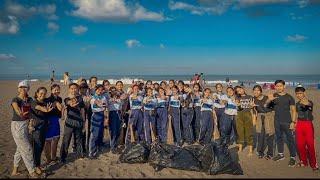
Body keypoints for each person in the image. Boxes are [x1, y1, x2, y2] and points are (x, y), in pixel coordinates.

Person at [11, 81, 40, 177]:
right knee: (28, 149)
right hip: (17, 126)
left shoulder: (29, 99)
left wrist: (44, 109)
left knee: (20, 149)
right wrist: (20, 113)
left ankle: (15, 170)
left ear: (28, 89)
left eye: (26, 87)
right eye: (21, 87)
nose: (23, 89)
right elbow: (16, 107)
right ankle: (31, 171)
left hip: (26, 125)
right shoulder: (16, 99)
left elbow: (34, 106)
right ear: (18, 89)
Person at [266, 80, 297, 167]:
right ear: (275, 87)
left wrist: (293, 122)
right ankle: (280, 154)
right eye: (277, 86)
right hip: (277, 121)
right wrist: (269, 100)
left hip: (287, 121)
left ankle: (293, 157)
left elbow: (294, 110)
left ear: (284, 86)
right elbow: (266, 106)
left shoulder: (289, 97)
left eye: (280, 85)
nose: (279, 87)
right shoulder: (274, 96)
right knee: (279, 138)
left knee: (290, 139)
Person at [60, 83, 86, 163]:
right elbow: (68, 102)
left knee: (78, 138)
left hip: (78, 121)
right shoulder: (66, 99)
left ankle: (80, 154)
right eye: (72, 88)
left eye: (75, 88)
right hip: (69, 122)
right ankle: (63, 156)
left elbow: (82, 111)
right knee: (66, 139)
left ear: (77, 89)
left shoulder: (80, 98)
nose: (73, 90)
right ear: (69, 89)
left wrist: (84, 122)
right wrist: (70, 103)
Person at [29, 87, 53, 173]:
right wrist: (45, 109)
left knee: (41, 146)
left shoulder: (46, 101)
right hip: (36, 128)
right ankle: (36, 166)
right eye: (41, 93)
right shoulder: (33, 101)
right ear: (37, 93)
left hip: (44, 127)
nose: (42, 95)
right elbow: (38, 107)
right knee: (37, 147)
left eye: (44, 93)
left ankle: (36, 165)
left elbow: (53, 99)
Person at [294, 86, 318, 170]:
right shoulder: (297, 104)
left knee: (310, 145)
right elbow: (296, 114)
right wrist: (294, 124)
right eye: (297, 94)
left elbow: (309, 108)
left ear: (304, 93)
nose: (299, 95)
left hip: (308, 125)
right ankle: (304, 162)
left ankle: (314, 165)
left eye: (300, 93)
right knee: (300, 145)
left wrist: (305, 103)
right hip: (299, 125)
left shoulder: (310, 102)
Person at [252, 85, 275, 160]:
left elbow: (271, 108)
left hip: (268, 117)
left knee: (270, 135)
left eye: (258, 90)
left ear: (261, 91)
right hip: (259, 118)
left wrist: (269, 101)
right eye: (254, 90)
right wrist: (252, 107)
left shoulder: (266, 98)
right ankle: (260, 152)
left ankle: (270, 153)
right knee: (260, 135)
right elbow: (254, 111)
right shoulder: (253, 99)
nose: (256, 92)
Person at [44, 84, 63, 165]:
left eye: (58, 90)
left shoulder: (60, 98)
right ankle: (48, 159)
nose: (56, 91)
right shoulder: (47, 99)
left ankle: (54, 157)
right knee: (48, 141)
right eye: (55, 90)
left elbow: (60, 109)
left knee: (56, 139)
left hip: (56, 121)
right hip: (49, 121)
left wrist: (62, 114)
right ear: (51, 91)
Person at [88, 84, 108, 159]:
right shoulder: (92, 97)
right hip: (95, 115)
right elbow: (96, 102)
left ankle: (99, 146)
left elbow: (105, 108)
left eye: (101, 90)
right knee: (94, 134)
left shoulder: (104, 97)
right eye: (98, 89)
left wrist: (106, 118)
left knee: (100, 133)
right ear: (95, 90)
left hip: (102, 115)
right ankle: (91, 152)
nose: (100, 91)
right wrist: (99, 103)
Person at [235, 86, 255, 156]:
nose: (240, 91)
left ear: (243, 88)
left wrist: (254, 117)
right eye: (238, 91)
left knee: (249, 132)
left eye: (240, 89)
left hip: (248, 115)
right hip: (239, 115)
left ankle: (250, 151)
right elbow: (238, 107)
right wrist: (238, 105)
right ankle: (240, 148)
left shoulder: (250, 97)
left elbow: (252, 108)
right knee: (240, 132)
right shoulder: (237, 98)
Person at [108, 86, 123, 154]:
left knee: (118, 130)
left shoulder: (119, 98)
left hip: (119, 114)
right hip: (112, 114)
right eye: (112, 91)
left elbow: (121, 105)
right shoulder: (108, 98)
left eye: (115, 90)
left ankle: (115, 144)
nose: (114, 92)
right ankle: (112, 147)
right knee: (113, 130)